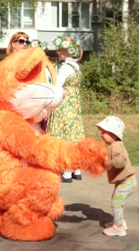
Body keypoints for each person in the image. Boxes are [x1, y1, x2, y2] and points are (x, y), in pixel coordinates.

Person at [46, 36, 85, 183]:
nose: (57, 52)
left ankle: (67, 171)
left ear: (66, 51)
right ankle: (76, 169)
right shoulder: (76, 66)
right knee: (73, 134)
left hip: (63, 104)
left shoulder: (65, 68)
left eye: (60, 50)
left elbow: (57, 86)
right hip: (73, 105)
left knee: (63, 136)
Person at [96, 116, 136, 237]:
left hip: (127, 182)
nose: (101, 134)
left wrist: (109, 163)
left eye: (104, 132)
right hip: (126, 181)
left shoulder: (116, 146)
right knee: (117, 202)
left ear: (113, 134)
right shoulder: (115, 145)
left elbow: (121, 161)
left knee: (116, 203)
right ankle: (120, 222)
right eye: (101, 131)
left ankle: (119, 227)